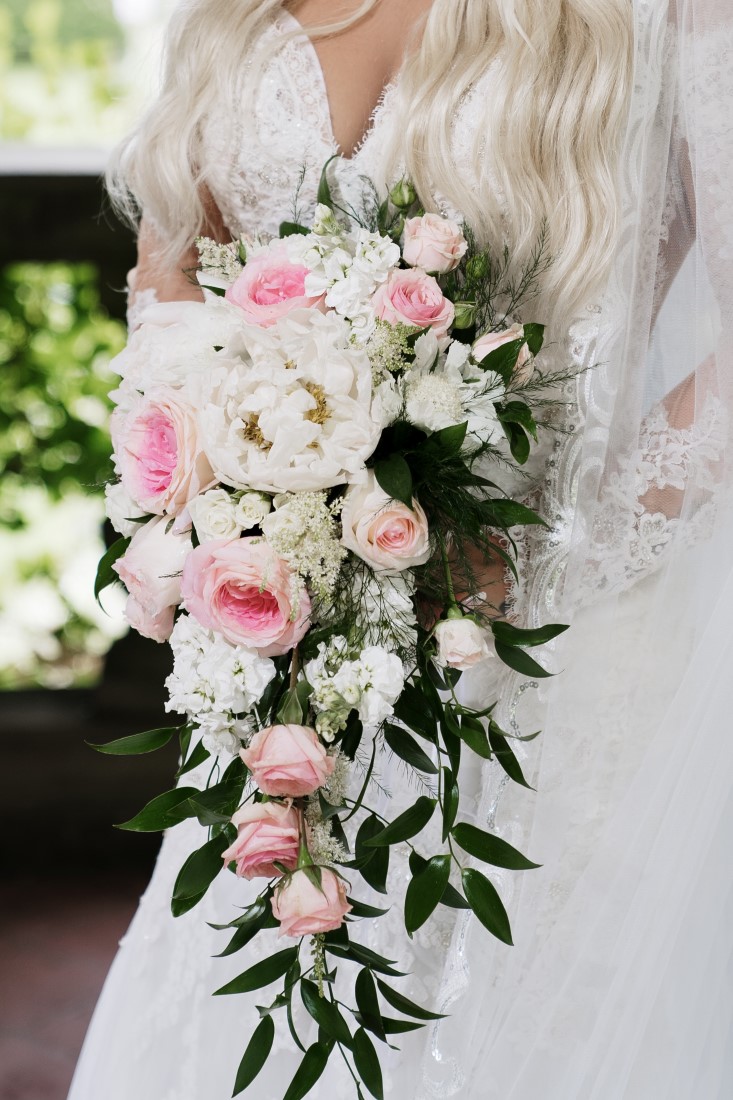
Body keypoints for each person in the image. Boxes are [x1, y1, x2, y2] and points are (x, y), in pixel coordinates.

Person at [69, 1, 733, 1097]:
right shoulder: (227, 17)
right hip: (301, 654)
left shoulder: (664, 14)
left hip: (561, 654)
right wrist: (212, 496)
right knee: (275, 1003)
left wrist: (541, 562)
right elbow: (172, 286)